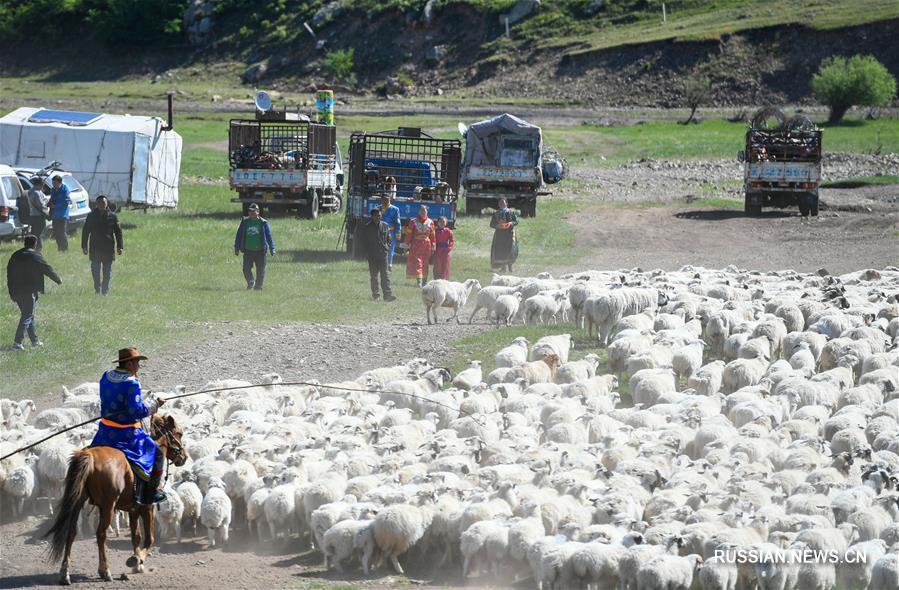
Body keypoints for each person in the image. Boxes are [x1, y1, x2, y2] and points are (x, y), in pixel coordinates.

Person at [89, 348, 167, 505]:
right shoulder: (131, 382)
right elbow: (135, 411)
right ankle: (153, 492)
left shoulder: (106, 376)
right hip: (125, 433)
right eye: (137, 362)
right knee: (158, 452)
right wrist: (154, 405)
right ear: (129, 363)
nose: (139, 366)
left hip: (105, 431)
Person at [6, 234, 62, 349]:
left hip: (16, 290)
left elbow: (9, 274)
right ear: (35, 244)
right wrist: (58, 279)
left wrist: (11, 291)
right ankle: (17, 342)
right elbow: (46, 268)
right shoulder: (35, 255)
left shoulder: (15, 255)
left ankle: (35, 341)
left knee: (28, 314)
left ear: (24, 243)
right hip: (29, 290)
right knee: (27, 315)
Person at [81, 196, 123, 296]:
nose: (102, 205)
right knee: (95, 271)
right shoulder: (91, 216)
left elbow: (118, 232)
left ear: (106, 203)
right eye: (100, 203)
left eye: (104, 203)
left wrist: (120, 246)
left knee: (107, 272)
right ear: (97, 204)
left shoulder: (113, 216)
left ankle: (105, 290)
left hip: (108, 248)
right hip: (95, 247)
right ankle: (97, 288)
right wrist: (84, 246)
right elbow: (86, 231)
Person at [234, 203, 275, 290]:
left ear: (258, 212)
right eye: (250, 211)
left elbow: (269, 236)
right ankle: (251, 281)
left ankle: (258, 287)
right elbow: (239, 235)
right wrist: (237, 248)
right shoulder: (245, 222)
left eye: (253, 211)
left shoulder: (263, 223)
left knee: (260, 270)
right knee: (246, 269)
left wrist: (272, 248)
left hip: (260, 251)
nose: (251, 213)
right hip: (248, 250)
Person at [358, 208, 395, 302]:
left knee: (385, 275)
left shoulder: (385, 225)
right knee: (374, 276)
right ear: (372, 216)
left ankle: (387, 296)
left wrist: (387, 246)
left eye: (379, 215)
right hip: (372, 256)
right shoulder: (367, 227)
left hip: (383, 255)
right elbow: (363, 241)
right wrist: (367, 253)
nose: (378, 217)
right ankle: (376, 295)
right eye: (376, 215)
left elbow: (388, 238)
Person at [405, 204, 435, 288]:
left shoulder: (430, 222)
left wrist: (433, 244)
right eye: (421, 210)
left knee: (425, 263)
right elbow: (409, 234)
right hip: (416, 244)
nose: (422, 212)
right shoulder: (413, 221)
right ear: (418, 211)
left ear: (427, 212)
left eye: (424, 210)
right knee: (418, 263)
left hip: (426, 245)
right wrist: (406, 243)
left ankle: (424, 281)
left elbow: (432, 235)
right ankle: (419, 281)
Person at [490, 198, 519, 272]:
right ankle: (503, 267)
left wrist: (510, 223)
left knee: (510, 249)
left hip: (509, 234)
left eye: (503, 203)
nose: (501, 204)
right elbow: (492, 224)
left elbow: (516, 221)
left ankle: (510, 266)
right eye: (500, 203)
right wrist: (497, 225)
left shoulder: (511, 212)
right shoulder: (496, 213)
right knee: (501, 250)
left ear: (506, 204)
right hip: (500, 234)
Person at [25, 177, 49, 250]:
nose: (42, 187)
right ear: (39, 184)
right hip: (39, 216)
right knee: (38, 234)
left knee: (34, 233)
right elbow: (41, 205)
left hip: (33, 215)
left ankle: (32, 248)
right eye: (42, 185)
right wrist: (47, 207)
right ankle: (39, 249)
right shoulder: (36, 193)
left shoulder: (30, 191)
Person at [379, 194, 401, 271]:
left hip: (391, 232)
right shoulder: (379, 208)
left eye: (387, 199)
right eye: (384, 199)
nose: (386, 201)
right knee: (380, 248)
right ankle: (381, 264)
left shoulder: (395, 209)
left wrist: (398, 232)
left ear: (390, 200)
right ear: (381, 200)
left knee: (390, 249)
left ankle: (389, 265)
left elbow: (397, 222)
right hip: (380, 232)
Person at [48, 175, 70, 252]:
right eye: (53, 183)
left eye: (55, 183)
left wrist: (55, 206)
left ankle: (65, 249)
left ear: (59, 182)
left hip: (62, 215)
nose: (53, 184)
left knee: (62, 233)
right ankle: (60, 248)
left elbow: (66, 202)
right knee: (56, 233)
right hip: (55, 215)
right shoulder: (53, 190)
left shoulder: (65, 190)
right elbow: (52, 199)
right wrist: (49, 203)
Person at [433, 216, 455, 281]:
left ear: (446, 223)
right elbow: (432, 239)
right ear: (438, 223)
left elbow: (452, 240)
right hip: (437, 250)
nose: (442, 223)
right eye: (440, 222)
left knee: (445, 266)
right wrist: (433, 247)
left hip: (445, 251)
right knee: (437, 266)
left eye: (443, 222)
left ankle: (445, 280)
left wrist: (449, 248)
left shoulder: (448, 231)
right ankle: (437, 279)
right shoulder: (435, 231)